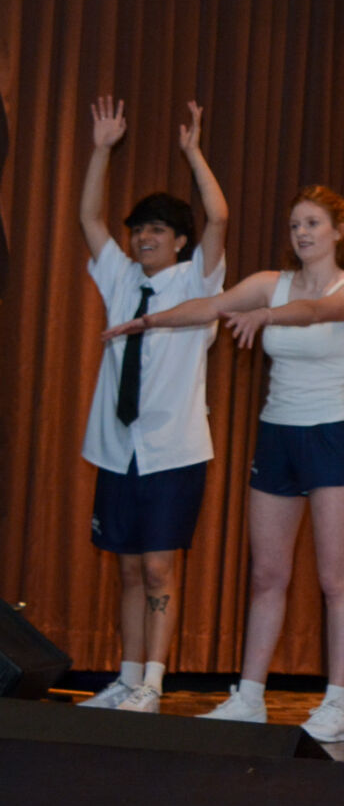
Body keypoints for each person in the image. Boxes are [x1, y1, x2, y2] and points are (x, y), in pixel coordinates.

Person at [105, 187, 344, 741]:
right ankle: (250, 696)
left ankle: (336, 705)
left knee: (333, 576)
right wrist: (149, 323)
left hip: (329, 436)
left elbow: (318, 311)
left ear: (339, 232)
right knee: (267, 575)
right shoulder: (268, 282)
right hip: (277, 435)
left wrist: (266, 315)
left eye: (314, 224)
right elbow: (210, 306)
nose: (301, 233)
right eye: (296, 223)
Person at [77, 98, 229, 714]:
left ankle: (153, 683)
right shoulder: (118, 278)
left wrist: (193, 153)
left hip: (173, 449)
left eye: (157, 231)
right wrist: (102, 148)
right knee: (129, 569)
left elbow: (219, 217)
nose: (143, 238)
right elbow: (88, 216)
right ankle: (127, 674)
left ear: (180, 243)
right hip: (116, 446)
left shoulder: (197, 282)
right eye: (138, 229)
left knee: (161, 568)